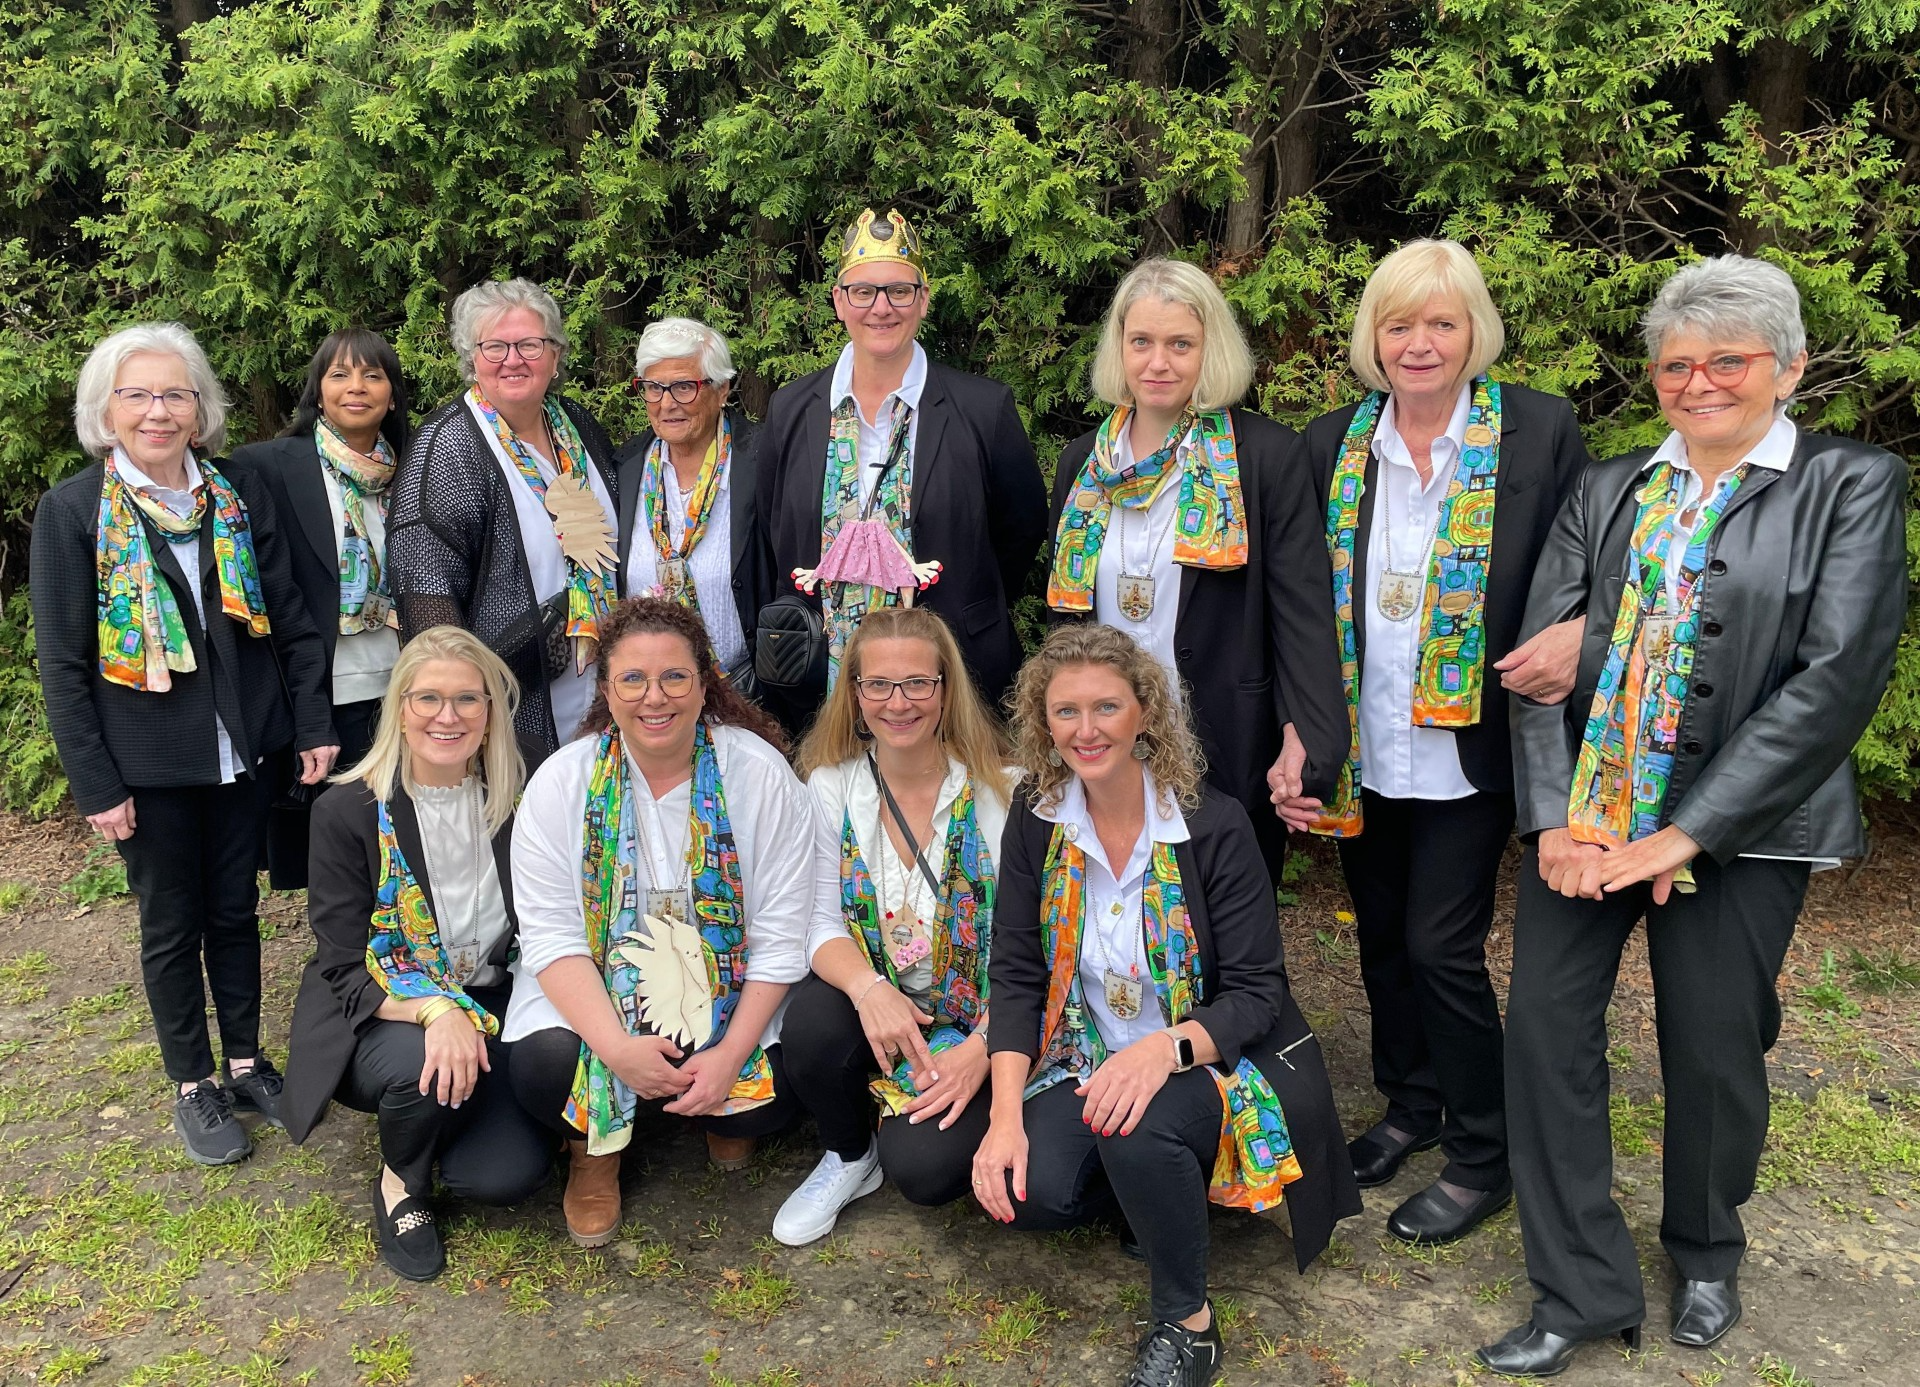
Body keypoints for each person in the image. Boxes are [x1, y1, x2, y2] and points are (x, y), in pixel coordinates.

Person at [1478, 255, 1909, 1377]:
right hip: (1594, 814)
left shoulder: (1850, 484)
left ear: (1790, 367)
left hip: (1747, 825)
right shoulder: (1609, 487)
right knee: (1545, 1036)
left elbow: (1835, 679)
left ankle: (1708, 1248)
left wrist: (1688, 832)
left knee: (1714, 1045)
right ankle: (1579, 1287)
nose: (1699, 382)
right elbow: (1536, 668)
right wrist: (1552, 822)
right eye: (1677, 364)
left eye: (1729, 360)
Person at [1287, 240, 1589, 1245]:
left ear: (1474, 333)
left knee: (1440, 946)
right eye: (1399, 324)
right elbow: (1301, 603)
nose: (1419, 343)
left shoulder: (1537, 431)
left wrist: (1579, 633)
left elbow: (1594, 559)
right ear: (1374, 337)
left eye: (1441, 323)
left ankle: (1482, 1149)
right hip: (1364, 742)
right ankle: (1411, 1102)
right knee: (1381, 938)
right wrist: (1301, 730)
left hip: (1472, 741)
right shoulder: (1332, 443)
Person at [974, 625, 1361, 1387]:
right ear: (1043, 723)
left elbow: (1257, 991)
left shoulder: (1211, 823)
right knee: (1034, 1193)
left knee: (1137, 1120)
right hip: (1087, 1051)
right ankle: (1159, 1189)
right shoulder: (1037, 814)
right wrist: (1005, 1116)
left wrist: (1162, 1050)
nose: (1086, 730)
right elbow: (1016, 973)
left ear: (1145, 712)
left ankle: (1188, 1323)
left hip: (1213, 1057)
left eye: (1107, 706)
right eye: (1066, 711)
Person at [31, 322, 337, 1166]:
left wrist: (311, 722)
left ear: (199, 409)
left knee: (235, 909)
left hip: (245, 748)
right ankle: (193, 1082)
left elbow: (290, 618)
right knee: (173, 923)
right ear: (106, 412)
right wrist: (96, 783)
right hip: (147, 764)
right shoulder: (73, 511)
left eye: (174, 394)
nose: (157, 411)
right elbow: (62, 663)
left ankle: (244, 1062)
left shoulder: (236, 493)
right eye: (136, 395)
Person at [501, 597, 814, 1249]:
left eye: (675, 676)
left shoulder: (758, 773)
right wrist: (616, 1048)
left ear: (704, 683)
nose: (655, 697)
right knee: (543, 1064)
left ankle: (721, 1106)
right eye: (633, 679)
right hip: (599, 994)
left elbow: (786, 930)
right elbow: (552, 938)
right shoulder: (561, 783)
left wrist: (730, 1055)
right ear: (605, 690)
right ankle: (594, 1151)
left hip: (725, 994)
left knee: (787, 1078)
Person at [1045, 257, 1346, 887]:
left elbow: (1302, 615)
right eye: (1142, 342)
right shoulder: (1082, 465)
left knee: (1228, 917)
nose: (1159, 363)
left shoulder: (1264, 458)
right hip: (1105, 743)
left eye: (1180, 344)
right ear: (1119, 348)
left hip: (1226, 739)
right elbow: (1064, 625)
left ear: (1211, 350)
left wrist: (1307, 735)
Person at [282, 627, 551, 1281]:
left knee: (501, 1178)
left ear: (490, 710)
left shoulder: (523, 788)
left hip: (493, 994)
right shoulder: (347, 810)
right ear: (399, 708)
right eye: (428, 697)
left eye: (467, 698)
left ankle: (452, 1116)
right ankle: (401, 1182)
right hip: (384, 1009)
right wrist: (436, 1011)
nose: (447, 716)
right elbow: (344, 966)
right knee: (417, 1065)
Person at [773, 607, 1014, 1245]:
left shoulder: (1000, 790)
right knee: (812, 1023)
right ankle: (850, 1153)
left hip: (983, 1016)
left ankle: (910, 1121)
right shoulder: (831, 786)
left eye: (917, 684)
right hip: (885, 1002)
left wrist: (985, 1047)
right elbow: (818, 923)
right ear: (854, 693)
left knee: (925, 1170)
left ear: (946, 689)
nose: (898, 702)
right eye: (878, 684)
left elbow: (1038, 946)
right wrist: (869, 989)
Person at [755, 207, 1046, 728]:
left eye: (899, 291)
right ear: (839, 302)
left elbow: (1019, 532)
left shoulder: (984, 410)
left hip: (954, 679)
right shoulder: (791, 409)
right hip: (821, 681)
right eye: (863, 291)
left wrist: (959, 594)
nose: (881, 307)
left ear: (924, 299)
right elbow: (775, 530)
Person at [387, 278, 620, 760]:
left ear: (555, 355)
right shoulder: (447, 447)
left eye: (530, 345)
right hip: (514, 705)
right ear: (472, 359)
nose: (513, 360)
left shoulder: (578, 426)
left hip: (609, 691)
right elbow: (426, 593)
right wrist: (457, 704)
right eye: (494, 346)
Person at [232, 328, 413, 771]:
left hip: (407, 686)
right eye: (340, 375)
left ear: (392, 397)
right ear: (317, 393)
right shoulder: (265, 467)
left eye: (373, 375)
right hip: (320, 697)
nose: (357, 387)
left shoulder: (415, 470)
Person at [613, 317, 760, 696]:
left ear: (722, 389)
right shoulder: (625, 468)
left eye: (683, 387)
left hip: (744, 695)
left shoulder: (761, 465)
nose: (667, 404)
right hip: (649, 698)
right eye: (653, 388)